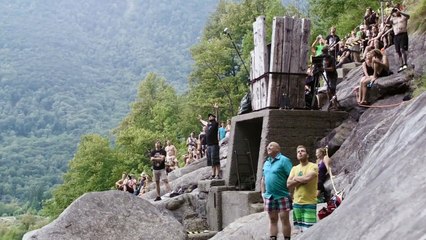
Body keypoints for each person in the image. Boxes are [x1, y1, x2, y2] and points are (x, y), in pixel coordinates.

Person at [261, 142, 293, 240]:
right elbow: (263, 179)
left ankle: (287, 238)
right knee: (272, 219)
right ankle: (273, 238)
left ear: (278, 149)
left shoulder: (284, 160)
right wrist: (263, 193)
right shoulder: (266, 162)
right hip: (269, 196)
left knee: (284, 219)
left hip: (282, 195)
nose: (268, 147)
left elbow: (291, 176)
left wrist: (291, 193)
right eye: (268, 146)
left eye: (271, 146)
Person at [287, 145, 318, 232]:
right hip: (296, 203)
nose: (300, 152)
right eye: (298, 152)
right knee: (300, 230)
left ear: (307, 155)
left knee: (309, 230)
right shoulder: (294, 168)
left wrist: (295, 178)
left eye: (302, 151)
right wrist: (302, 180)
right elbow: (288, 184)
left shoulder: (313, 166)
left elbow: (307, 179)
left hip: (309, 203)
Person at [198, 103, 220, 179]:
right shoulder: (208, 125)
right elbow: (204, 122)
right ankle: (213, 174)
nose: (209, 117)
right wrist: (200, 119)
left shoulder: (215, 124)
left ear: (214, 117)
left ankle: (217, 174)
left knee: (215, 159)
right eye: (209, 116)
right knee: (211, 160)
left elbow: (218, 118)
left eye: (211, 116)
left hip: (214, 144)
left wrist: (216, 109)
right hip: (209, 145)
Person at [388, 7, 410, 72]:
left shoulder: (403, 17)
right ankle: (401, 65)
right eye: (395, 11)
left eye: (396, 11)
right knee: (398, 52)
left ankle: (405, 64)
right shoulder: (393, 19)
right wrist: (390, 14)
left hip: (403, 34)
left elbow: (408, 16)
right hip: (396, 36)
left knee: (402, 50)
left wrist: (400, 12)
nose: (396, 12)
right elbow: (387, 22)